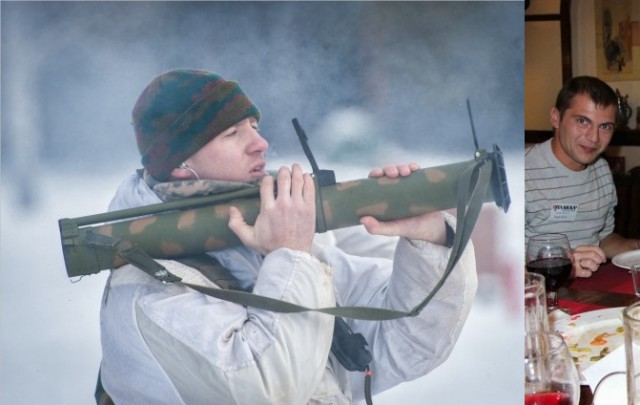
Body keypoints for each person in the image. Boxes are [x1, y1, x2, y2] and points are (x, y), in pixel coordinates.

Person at [98, 69, 477, 404]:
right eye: (232, 132)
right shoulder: (148, 290)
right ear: (180, 165)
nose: (260, 144)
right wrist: (291, 256)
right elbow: (268, 392)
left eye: (255, 127)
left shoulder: (267, 234)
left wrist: (430, 238)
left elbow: (402, 344)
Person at [525, 76, 640, 278]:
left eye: (605, 126)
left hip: (587, 290)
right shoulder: (515, 173)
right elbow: (489, 260)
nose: (594, 137)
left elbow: (602, 238)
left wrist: (633, 246)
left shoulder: (602, 169)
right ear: (555, 117)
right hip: (531, 297)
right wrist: (564, 267)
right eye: (582, 121)